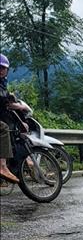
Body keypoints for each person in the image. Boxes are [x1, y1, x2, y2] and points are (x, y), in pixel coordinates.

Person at [0, 54, 30, 184]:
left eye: (4, 68)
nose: (1, 70)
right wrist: (16, 104)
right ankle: (2, 166)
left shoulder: (2, 83)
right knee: (3, 128)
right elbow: (3, 98)